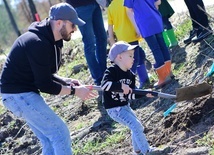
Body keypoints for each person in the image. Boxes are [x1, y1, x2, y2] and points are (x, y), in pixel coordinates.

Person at [0, 3, 97, 155]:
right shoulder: (36, 43)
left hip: (20, 94)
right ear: (59, 23)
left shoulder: (53, 39)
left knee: (49, 139)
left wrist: (67, 81)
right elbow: (45, 85)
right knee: (59, 133)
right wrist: (75, 91)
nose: (75, 29)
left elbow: (47, 74)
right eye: (72, 25)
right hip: (18, 95)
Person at [100, 41, 170, 155]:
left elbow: (131, 94)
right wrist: (120, 86)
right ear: (120, 57)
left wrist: (144, 93)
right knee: (135, 125)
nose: (133, 58)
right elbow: (104, 85)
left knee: (137, 126)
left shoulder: (130, 75)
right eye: (130, 56)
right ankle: (146, 151)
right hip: (114, 108)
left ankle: (137, 151)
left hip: (124, 106)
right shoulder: (111, 71)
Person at [124, 0, 173, 89]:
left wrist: (137, 29)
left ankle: (164, 76)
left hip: (144, 23)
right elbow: (158, 2)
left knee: (155, 49)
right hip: (156, 19)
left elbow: (129, 11)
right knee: (163, 46)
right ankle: (169, 72)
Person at [107, 0, 150, 89]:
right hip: (131, 35)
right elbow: (132, 15)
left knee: (139, 56)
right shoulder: (126, 2)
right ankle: (131, 84)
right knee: (134, 61)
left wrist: (112, 40)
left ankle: (144, 79)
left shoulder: (111, 7)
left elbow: (110, 26)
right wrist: (138, 29)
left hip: (122, 38)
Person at [65, 0, 107, 87]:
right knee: (90, 43)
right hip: (80, 6)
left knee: (102, 38)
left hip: (94, 3)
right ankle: (98, 79)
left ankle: (105, 74)